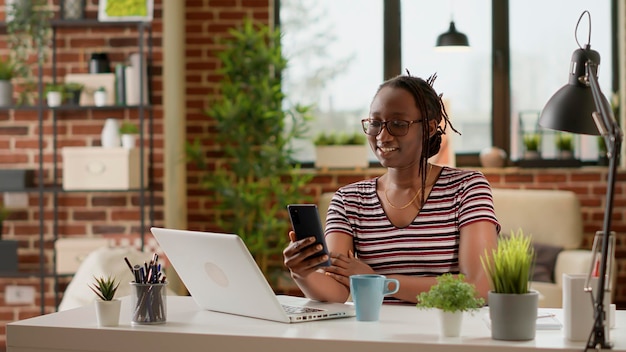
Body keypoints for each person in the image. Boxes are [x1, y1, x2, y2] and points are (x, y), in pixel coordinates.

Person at [283, 72, 500, 304]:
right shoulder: (348, 200)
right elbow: (336, 291)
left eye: (398, 124)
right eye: (375, 123)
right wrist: (302, 272)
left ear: (429, 128)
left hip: (447, 334)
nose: (383, 136)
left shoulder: (467, 189)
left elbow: (479, 287)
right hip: (376, 334)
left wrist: (378, 281)